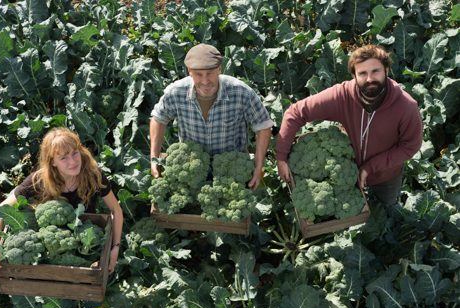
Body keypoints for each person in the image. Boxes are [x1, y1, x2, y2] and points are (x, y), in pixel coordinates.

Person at [276, 45, 423, 206]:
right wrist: (281, 158)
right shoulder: (342, 96)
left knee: (387, 207)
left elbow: (410, 146)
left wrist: (370, 167)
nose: (369, 79)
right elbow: (295, 113)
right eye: (362, 73)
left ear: (386, 70)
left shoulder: (406, 106)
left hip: (386, 175)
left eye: (375, 71)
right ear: (354, 75)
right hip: (346, 171)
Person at [0, 127, 124, 273]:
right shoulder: (39, 180)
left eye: (74, 153)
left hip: (86, 240)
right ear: (52, 162)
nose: (72, 161)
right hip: (50, 246)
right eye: (63, 158)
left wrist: (115, 247)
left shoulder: (93, 174)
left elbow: (115, 210)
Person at [150, 43, 273, 189]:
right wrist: (154, 157)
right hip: (191, 168)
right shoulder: (176, 92)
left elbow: (263, 126)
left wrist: (259, 166)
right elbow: (158, 119)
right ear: (189, 71)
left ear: (219, 69)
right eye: (198, 74)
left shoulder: (241, 92)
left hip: (231, 170)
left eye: (210, 73)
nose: (205, 81)